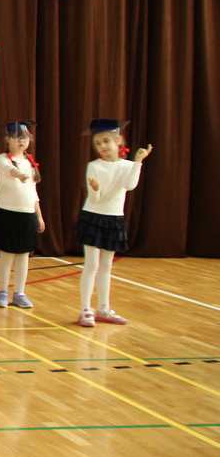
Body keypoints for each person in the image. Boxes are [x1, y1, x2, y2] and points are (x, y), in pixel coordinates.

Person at [77, 119, 152, 327]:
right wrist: (95, 188)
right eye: (98, 143)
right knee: (91, 265)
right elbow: (96, 199)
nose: (102, 146)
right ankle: (85, 309)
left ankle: (103, 308)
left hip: (114, 219)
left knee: (106, 266)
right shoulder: (93, 166)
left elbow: (130, 185)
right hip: (93, 217)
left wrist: (138, 162)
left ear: (118, 141)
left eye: (106, 141)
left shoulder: (127, 166)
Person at [0, 121, 45, 309]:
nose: (21, 141)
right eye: (16, 137)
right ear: (7, 139)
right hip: (7, 213)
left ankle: (19, 293)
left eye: (25, 137)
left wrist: (39, 216)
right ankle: (2, 292)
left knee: (23, 256)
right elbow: (10, 170)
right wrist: (20, 175)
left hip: (27, 214)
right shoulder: (1, 159)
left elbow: (33, 192)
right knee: (6, 255)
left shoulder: (30, 162)